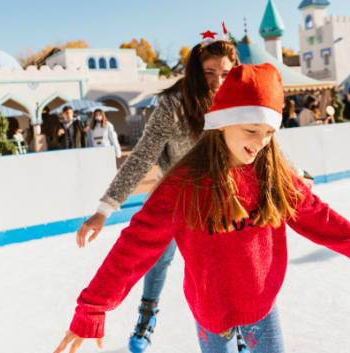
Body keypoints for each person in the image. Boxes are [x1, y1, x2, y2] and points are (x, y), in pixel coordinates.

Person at [54, 63, 350, 353]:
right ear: (223, 125)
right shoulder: (183, 186)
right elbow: (134, 247)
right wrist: (93, 306)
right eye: (251, 130)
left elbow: (316, 216)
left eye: (269, 133)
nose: (260, 143)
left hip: (261, 305)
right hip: (210, 309)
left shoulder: (273, 174)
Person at [76, 37, 241, 353]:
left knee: (225, 267)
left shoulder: (235, 99)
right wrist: (104, 208)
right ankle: (147, 316)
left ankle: (237, 325)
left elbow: (261, 140)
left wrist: (293, 177)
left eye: (224, 72)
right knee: (159, 259)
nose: (217, 81)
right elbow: (142, 157)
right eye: (209, 72)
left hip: (221, 198)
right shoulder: (175, 104)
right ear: (195, 69)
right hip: (175, 200)